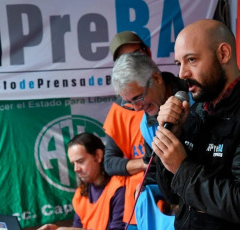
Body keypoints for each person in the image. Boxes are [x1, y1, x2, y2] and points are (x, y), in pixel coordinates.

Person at [153, 19, 240, 230]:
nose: (182, 74)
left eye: (192, 60)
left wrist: (182, 167)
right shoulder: (196, 110)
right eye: (180, 64)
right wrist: (172, 137)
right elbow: (172, 195)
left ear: (223, 54)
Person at [111, 52, 188, 227]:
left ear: (156, 78)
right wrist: (146, 185)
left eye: (138, 98)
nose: (138, 108)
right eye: (130, 103)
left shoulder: (195, 99)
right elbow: (152, 168)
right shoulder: (146, 123)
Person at [103, 31, 153, 229]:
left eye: (136, 54)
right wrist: (146, 163)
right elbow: (109, 162)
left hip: (175, 200)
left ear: (147, 52)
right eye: (124, 59)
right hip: (137, 206)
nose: (132, 63)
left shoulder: (174, 93)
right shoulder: (119, 110)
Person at [37, 132, 126, 230]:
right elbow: (78, 227)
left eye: (80, 161)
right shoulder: (80, 193)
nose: (76, 169)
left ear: (98, 155)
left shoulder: (119, 187)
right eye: (73, 163)